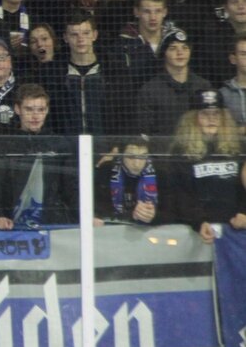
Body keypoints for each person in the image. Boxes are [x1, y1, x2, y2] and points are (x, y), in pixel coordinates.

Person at [0, 84, 76, 229]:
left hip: (53, 225)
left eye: (41, 110)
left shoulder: (60, 145)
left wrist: (88, 214)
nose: (35, 116)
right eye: (29, 109)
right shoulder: (4, 145)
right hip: (11, 226)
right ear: (17, 109)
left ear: (47, 110)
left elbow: (72, 186)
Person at [165, 89, 246, 243]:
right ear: (192, 118)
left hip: (236, 229)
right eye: (204, 114)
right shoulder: (181, 152)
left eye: (216, 114)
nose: (211, 119)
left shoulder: (239, 148)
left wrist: (244, 212)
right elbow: (180, 194)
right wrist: (199, 221)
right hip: (196, 231)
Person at [94, 137, 161, 225]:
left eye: (143, 157)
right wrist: (133, 215)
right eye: (131, 157)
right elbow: (100, 211)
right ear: (121, 156)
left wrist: (153, 215)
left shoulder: (160, 172)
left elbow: (172, 213)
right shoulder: (106, 171)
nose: (137, 164)